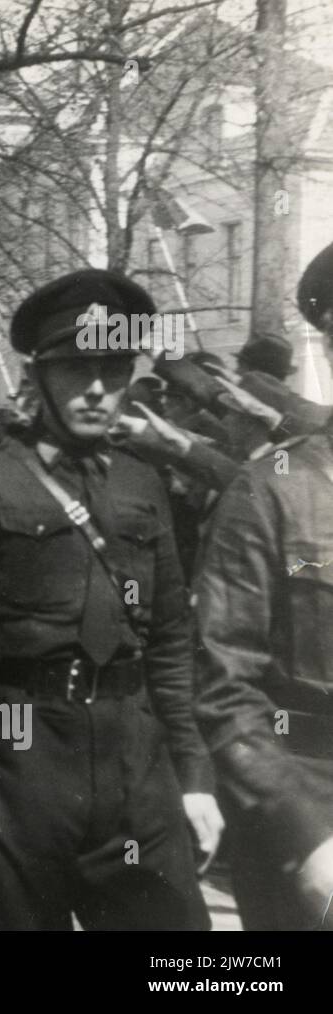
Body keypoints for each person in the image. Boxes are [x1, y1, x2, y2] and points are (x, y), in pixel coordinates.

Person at [0, 268, 222, 930]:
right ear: (39, 375)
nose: (94, 388)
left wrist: (194, 776)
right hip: (19, 760)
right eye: (73, 368)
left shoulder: (144, 484)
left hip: (135, 766)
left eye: (112, 369)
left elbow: (171, 640)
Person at [193, 240, 333, 929]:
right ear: (331, 351)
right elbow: (223, 684)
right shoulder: (271, 490)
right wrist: (306, 837)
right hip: (306, 804)